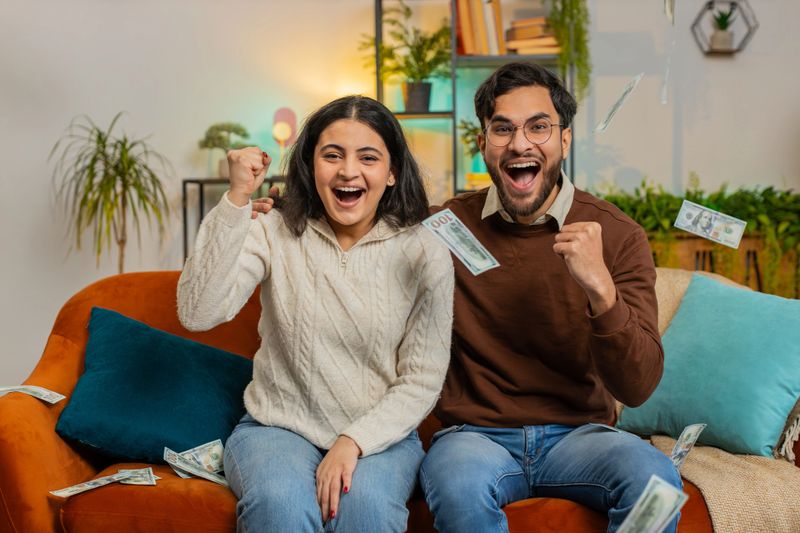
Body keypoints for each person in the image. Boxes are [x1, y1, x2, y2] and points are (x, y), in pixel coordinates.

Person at [417, 62, 682, 533]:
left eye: (539, 126)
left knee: (659, 489)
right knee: (457, 486)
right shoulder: (447, 227)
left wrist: (601, 289)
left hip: (581, 436)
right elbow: (366, 248)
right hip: (474, 438)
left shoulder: (619, 235)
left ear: (564, 140)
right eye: (503, 129)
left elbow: (638, 387)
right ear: (484, 145)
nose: (520, 143)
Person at [177, 95, 454, 533]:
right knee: (280, 507)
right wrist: (237, 200)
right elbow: (197, 311)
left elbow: (421, 379)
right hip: (276, 429)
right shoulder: (273, 229)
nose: (348, 171)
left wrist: (353, 441)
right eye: (332, 155)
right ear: (311, 165)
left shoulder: (425, 252)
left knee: (367, 514)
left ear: (392, 171)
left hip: (380, 439)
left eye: (368, 157)